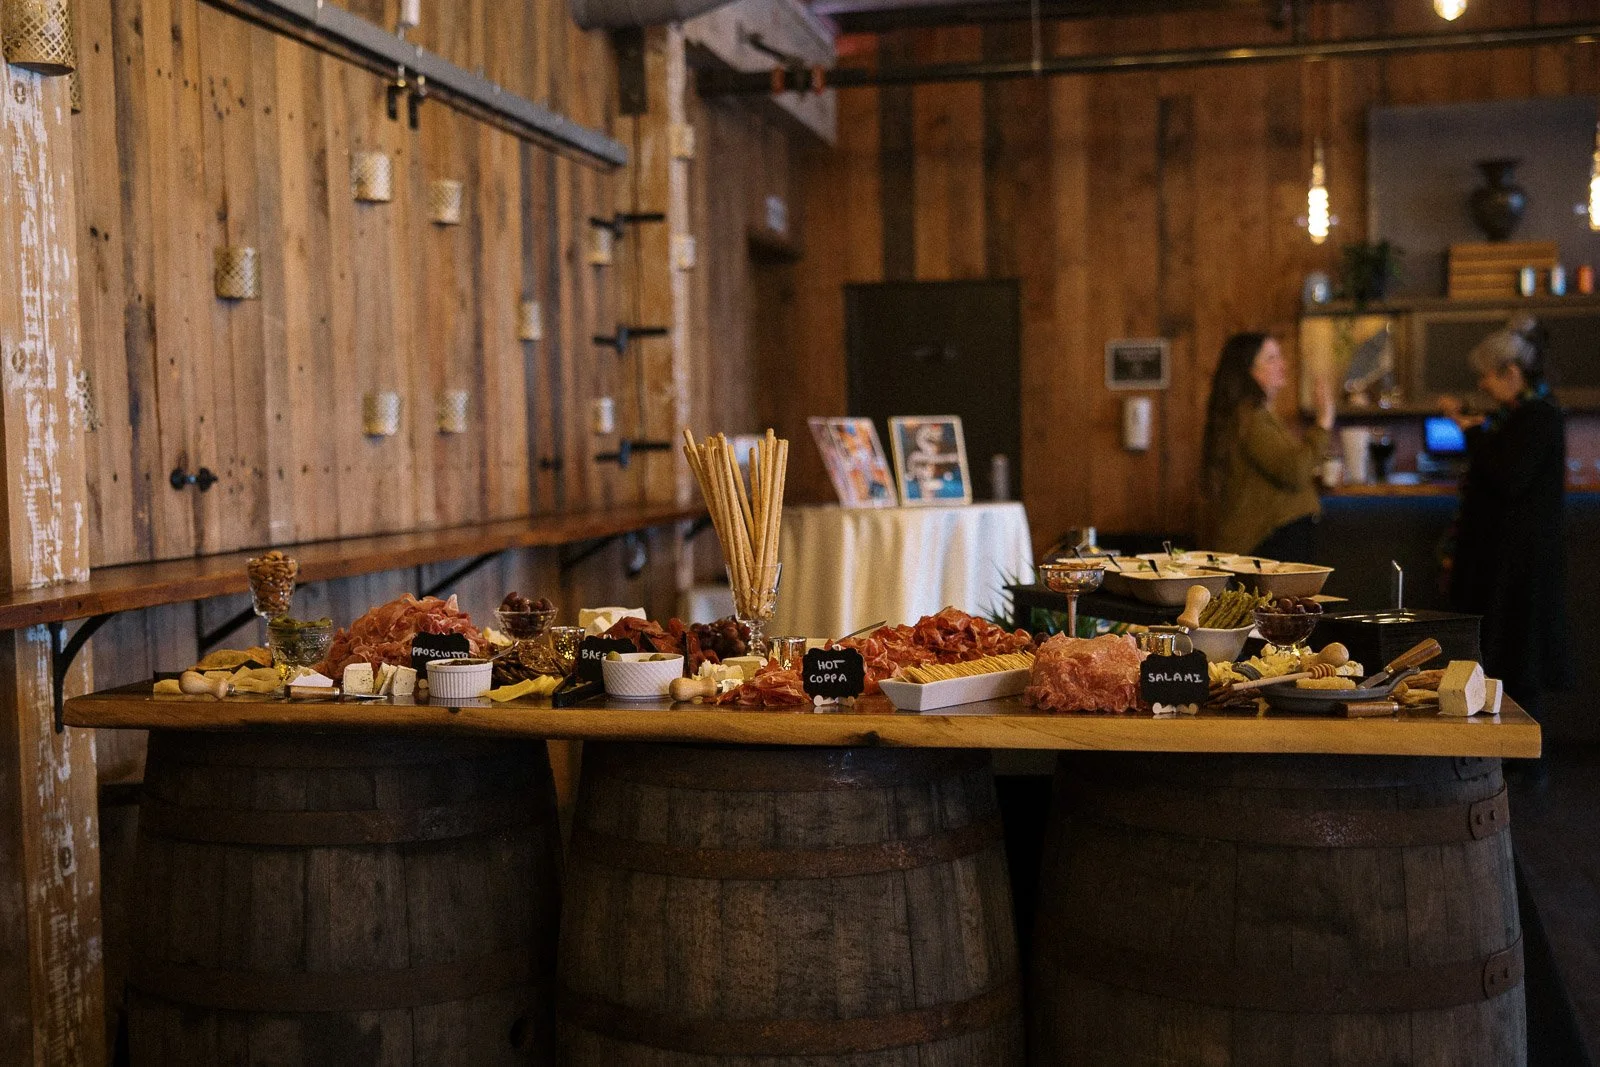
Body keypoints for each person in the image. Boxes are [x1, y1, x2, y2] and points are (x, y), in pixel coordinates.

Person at [1439, 315, 1569, 717]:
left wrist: (1472, 432)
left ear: (1511, 373)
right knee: (1507, 653)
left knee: (1517, 656)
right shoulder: (1522, 413)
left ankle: (1525, 760)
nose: (1482, 384)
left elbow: (1508, 476)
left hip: (1520, 563)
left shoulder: (1538, 417)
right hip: (1508, 559)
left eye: (1487, 377)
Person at [1200, 333, 1335, 559]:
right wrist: (1323, 422)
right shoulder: (1251, 418)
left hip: (1271, 543)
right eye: (1271, 358)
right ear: (1249, 371)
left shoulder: (1256, 415)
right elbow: (1295, 471)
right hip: (1265, 546)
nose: (1282, 364)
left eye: (1280, 357)